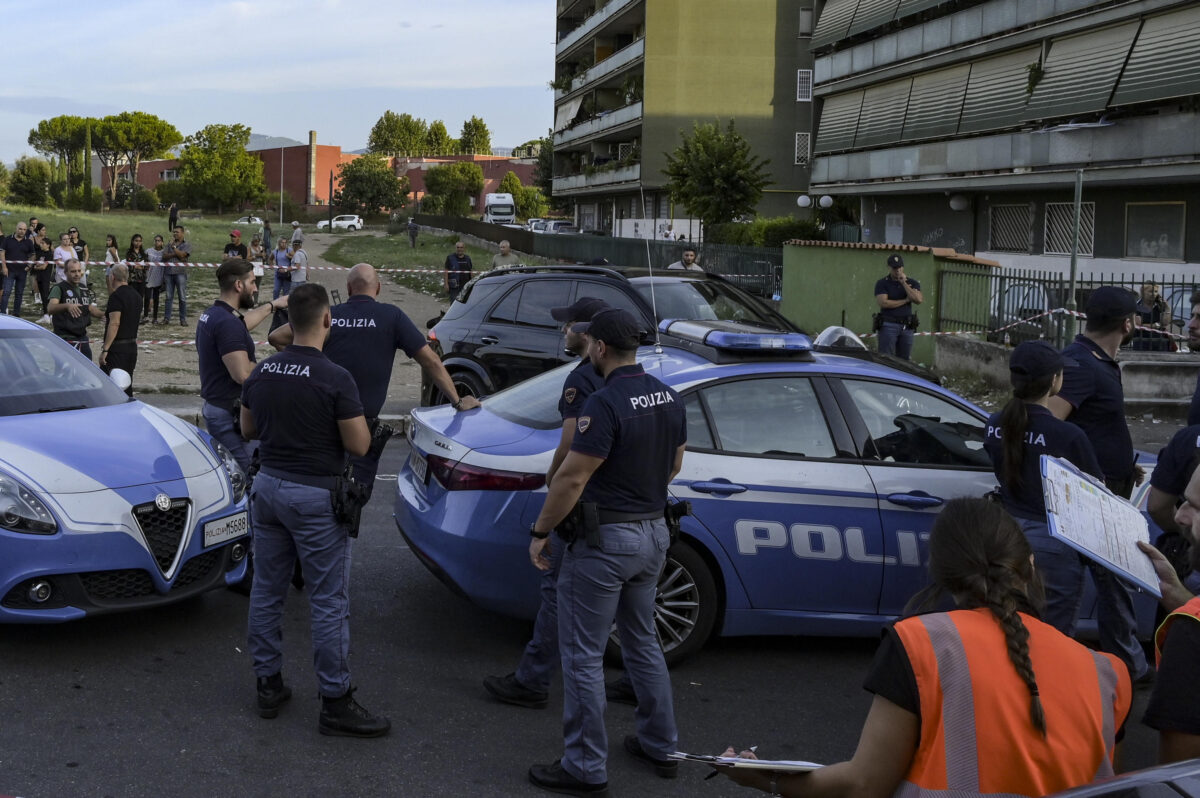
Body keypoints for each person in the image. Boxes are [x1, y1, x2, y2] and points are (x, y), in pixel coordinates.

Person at [716, 497, 1131, 798]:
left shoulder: (920, 644)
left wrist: (765, 778)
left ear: (944, 577)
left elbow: (864, 785)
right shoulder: (1106, 672)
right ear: (1031, 566)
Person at [527, 308, 686, 796]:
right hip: (655, 535)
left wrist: (541, 531)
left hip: (605, 544)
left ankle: (584, 766)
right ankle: (662, 745)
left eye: (589, 342)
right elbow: (675, 463)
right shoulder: (670, 396)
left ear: (598, 348)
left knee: (582, 656)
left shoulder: (605, 401)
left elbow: (572, 478)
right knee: (642, 641)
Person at [239, 282, 390, 738]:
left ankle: (268, 684)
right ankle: (335, 700)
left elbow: (247, 429)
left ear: (290, 322)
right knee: (328, 600)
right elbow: (360, 445)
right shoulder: (335, 378)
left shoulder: (262, 373)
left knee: (267, 590)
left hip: (267, 489)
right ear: (327, 320)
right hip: (315, 497)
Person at [484, 297, 609, 711]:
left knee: (557, 593)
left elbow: (570, 445)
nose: (563, 332)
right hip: (628, 507)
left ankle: (533, 679)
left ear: (587, 332)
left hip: (586, 503)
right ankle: (644, 685)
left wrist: (552, 487)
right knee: (634, 605)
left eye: (568, 324)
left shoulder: (581, 379)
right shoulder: (633, 377)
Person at [267, 263, 480, 494]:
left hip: (317, 421)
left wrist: (307, 362)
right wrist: (457, 401)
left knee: (315, 488)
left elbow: (276, 337)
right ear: (378, 288)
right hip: (360, 429)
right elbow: (431, 361)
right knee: (349, 499)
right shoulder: (391, 317)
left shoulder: (331, 317)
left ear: (348, 289)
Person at [1046, 285, 1151, 682]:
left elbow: (1093, 424)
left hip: (1110, 489)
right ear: (1126, 324)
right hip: (1090, 498)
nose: (1138, 322)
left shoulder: (1096, 361)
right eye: (1136, 316)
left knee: (1116, 583)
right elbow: (1051, 422)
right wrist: (1092, 472)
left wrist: (1123, 464)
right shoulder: (1079, 365)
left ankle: (1125, 665)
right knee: (1103, 583)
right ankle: (1120, 668)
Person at [983, 341, 1116, 633]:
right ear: (1055, 380)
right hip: (1053, 538)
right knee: (1052, 632)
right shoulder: (1068, 435)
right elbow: (1098, 493)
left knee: (1007, 625)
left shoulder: (994, 423)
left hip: (1006, 533)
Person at [197, 258, 287, 474]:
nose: (255, 288)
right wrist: (278, 365)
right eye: (253, 282)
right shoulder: (227, 324)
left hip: (217, 406)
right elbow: (243, 374)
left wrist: (273, 305)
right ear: (239, 285)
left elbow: (241, 325)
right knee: (252, 474)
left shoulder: (214, 314)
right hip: (230, 414)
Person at [1138, 468, 1200, 764]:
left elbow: (1178, 778)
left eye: (1196, 507)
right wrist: (1179, 597)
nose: (1180, 516)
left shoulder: (1190, 634)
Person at [47, 259, 103, 359]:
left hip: (82, 337)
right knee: (65, 370)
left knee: (87, 368)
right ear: (65, 272)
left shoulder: (84, 288)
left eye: (79, 271)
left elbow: (90, 308)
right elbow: (50, 308)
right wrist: (67, 306)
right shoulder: (59, 288)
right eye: (73, 271)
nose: (77, 274)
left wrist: (103, 315)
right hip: (65, 338)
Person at [99, 264, 141, 395]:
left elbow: (115, 323)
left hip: (117, 348)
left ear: (112, 277)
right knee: (127, 385)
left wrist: (105, 349)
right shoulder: (137, 296)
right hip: (132, 347)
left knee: (113, 389)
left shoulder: (116, 296)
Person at [873, 254, 922, 360]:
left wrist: (904, 283)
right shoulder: (882, 283)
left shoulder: (912, 283)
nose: (898, 270)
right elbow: (884, 303)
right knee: (886, 358)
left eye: (899, 267)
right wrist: (905, 300)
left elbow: (918, 299)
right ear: (889, 267)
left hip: (907, 327)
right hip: (888, 325)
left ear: (903, 267)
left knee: (904, 361)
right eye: (895, 268)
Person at [1, 221, 36, 317]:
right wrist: (4, 267)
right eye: (20, 229)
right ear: (16, 228)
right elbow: (2, 252)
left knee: (19, 293)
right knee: (6, 292)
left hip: (22, 272)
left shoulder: (28, 241)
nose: (22, 231)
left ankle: (16, 314)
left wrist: (29, 266)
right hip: (9, 270)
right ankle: (3, 313)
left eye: (24, 229)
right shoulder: (7, 239)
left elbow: (33, 255)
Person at [162, 225, 191, 326]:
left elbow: (184, 256)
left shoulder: (186, 244)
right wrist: (177, 254)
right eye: (174, 232)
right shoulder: (168, 244)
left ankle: (182, 319)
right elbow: (164, 256)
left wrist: (174, 248)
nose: (174, 234)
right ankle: (166, 318)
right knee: (168, 297)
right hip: (168, 273)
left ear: (182, 233)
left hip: (180, 273)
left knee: (182, 297)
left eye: (177, 232)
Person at [1132, 280, 1171, 351]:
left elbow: (1165, 323)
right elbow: (1138, 326)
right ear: (1143, 292)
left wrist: (1167, 308)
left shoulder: (1159, 305)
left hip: (1160, 341)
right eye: (1150, 291)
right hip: (1142, 341)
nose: (1154, 294)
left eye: (1156, 291)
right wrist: (1156, 325)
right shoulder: (1137, 305)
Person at [30, 224, 53, 323]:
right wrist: (36, 266)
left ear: (48, 245)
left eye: (43, 243)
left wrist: (37, 267)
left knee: (45, 296)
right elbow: (36, 265)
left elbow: (43, 266)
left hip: (45, 278)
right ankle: (46, 315)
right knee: (42, 297)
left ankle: (49, 315)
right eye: (41, 243)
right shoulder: (40, 254)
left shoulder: (49, 254)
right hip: (39, 277)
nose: (41, 244)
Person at [124, 234, 148, 321]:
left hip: (142, 279)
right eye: (136, 241)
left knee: (140, 298)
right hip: (132, 279)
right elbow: (130, 266)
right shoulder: (129, 253)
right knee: (132, 297)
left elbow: (146, 266)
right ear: (132, 241)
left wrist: (138, 265)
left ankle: (138, 316)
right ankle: (131, 315)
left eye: (140, 241)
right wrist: (138, 266)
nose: (138, 243)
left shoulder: (144, 254)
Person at [145, 234, 166, 324]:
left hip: (159, 277)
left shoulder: (164, 252)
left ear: (162, 242)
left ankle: (155, 318)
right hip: (148, 277)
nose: (157, 242)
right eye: (156, 240)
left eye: (159, 240)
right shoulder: (148, 251)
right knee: (146, 297)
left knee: (156, 298)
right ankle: (145, 316)